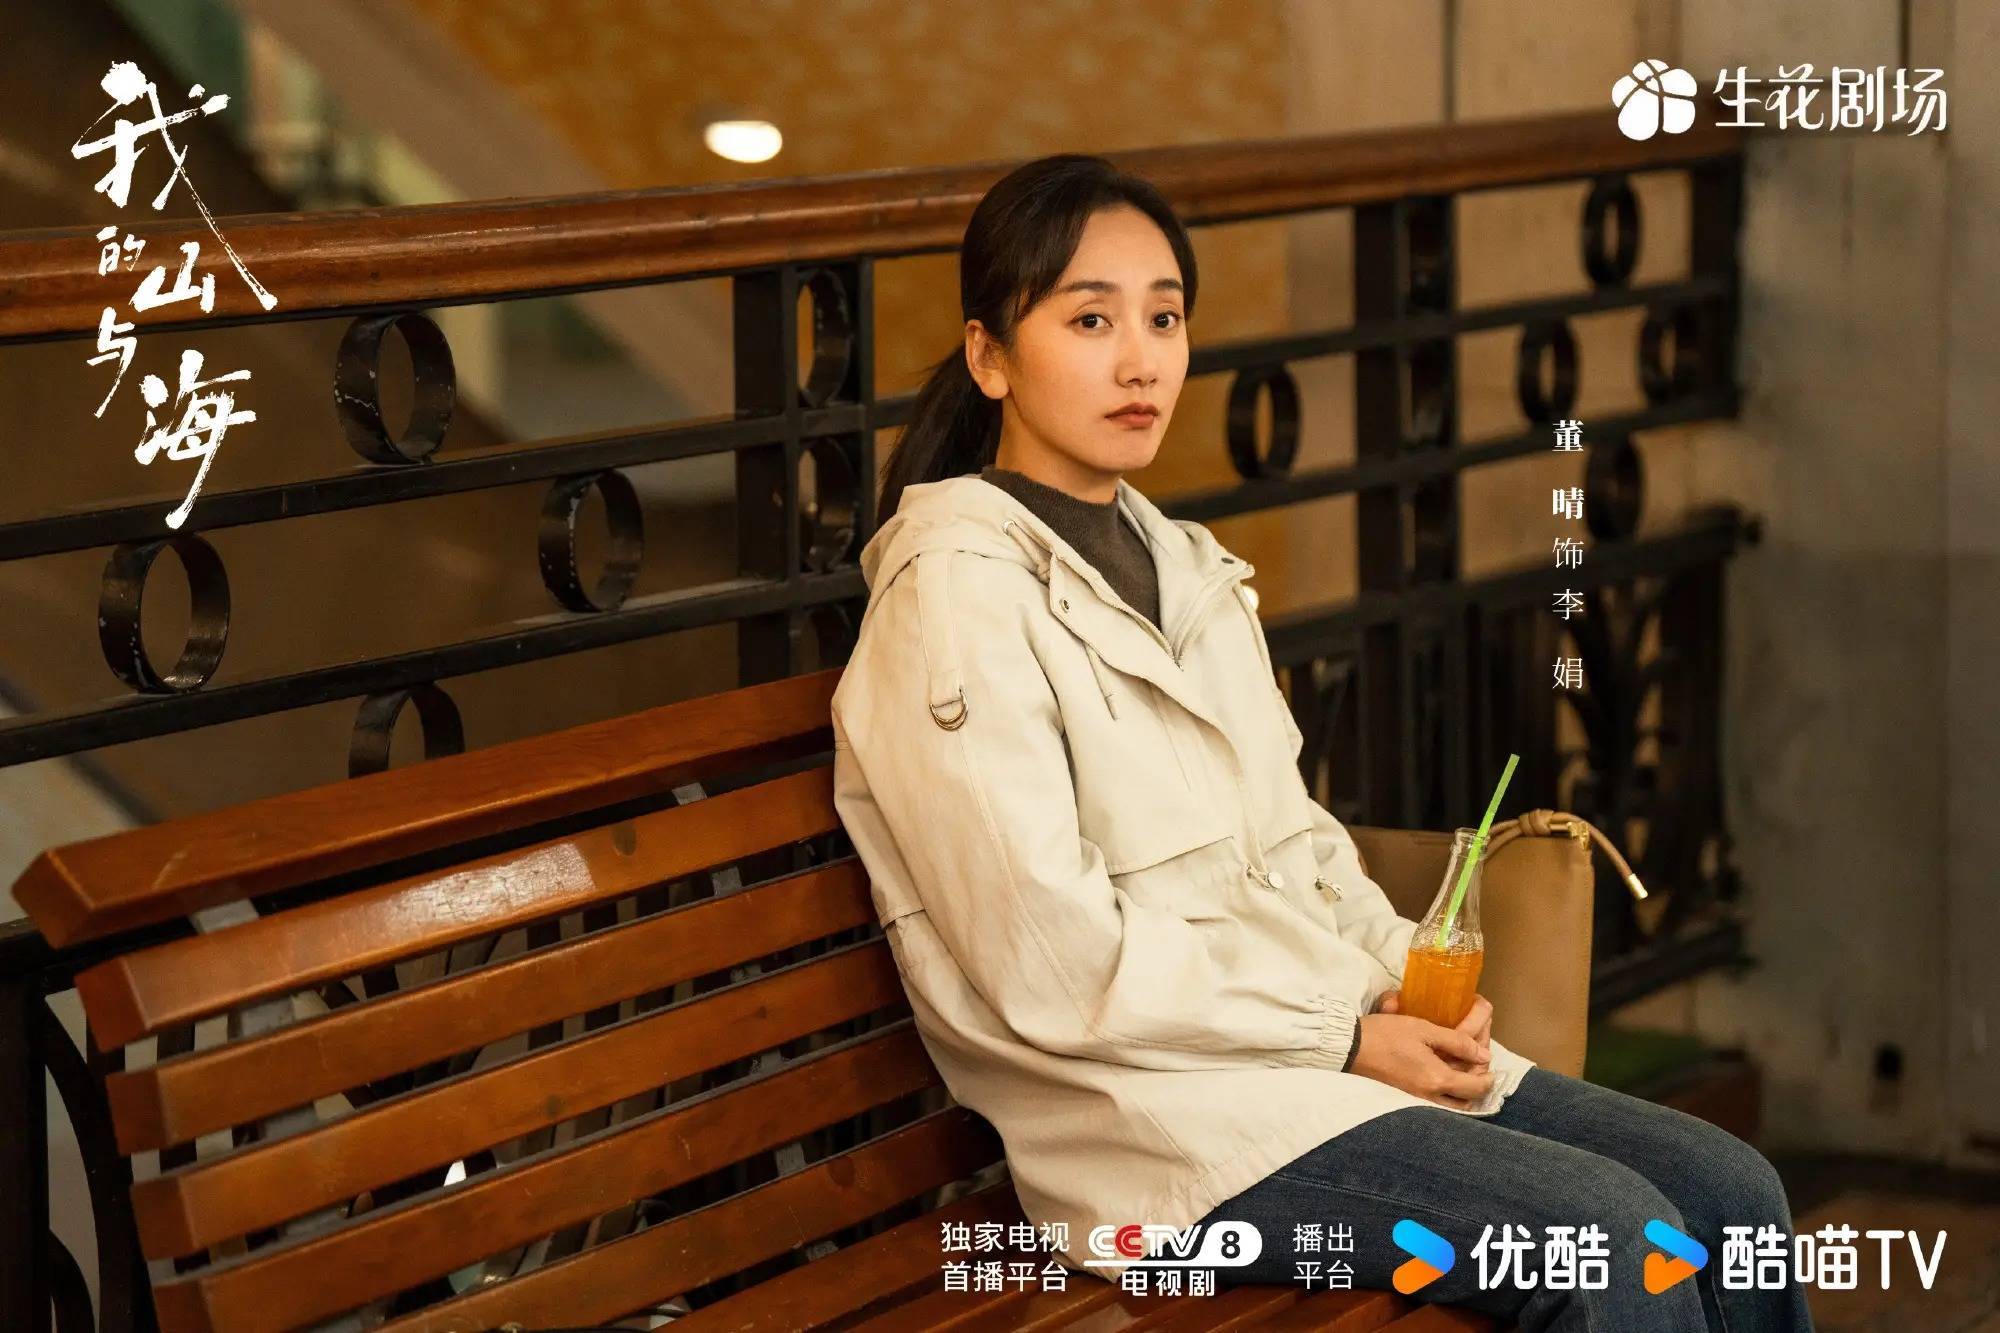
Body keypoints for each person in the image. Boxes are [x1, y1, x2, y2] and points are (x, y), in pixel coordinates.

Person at [829, 152, 1813, 1331]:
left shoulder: (1183, 569)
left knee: (1728, 1196)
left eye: (1162, 317)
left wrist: (1400, 978)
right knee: (1599, 1240)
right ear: (989, 356)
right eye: (1089, 319)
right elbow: (1053, 964)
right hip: (1157, 1140)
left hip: (1311, 1068)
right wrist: (1341, 1035)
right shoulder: (954, 600)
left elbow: (1291, 842)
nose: (1139, 361)